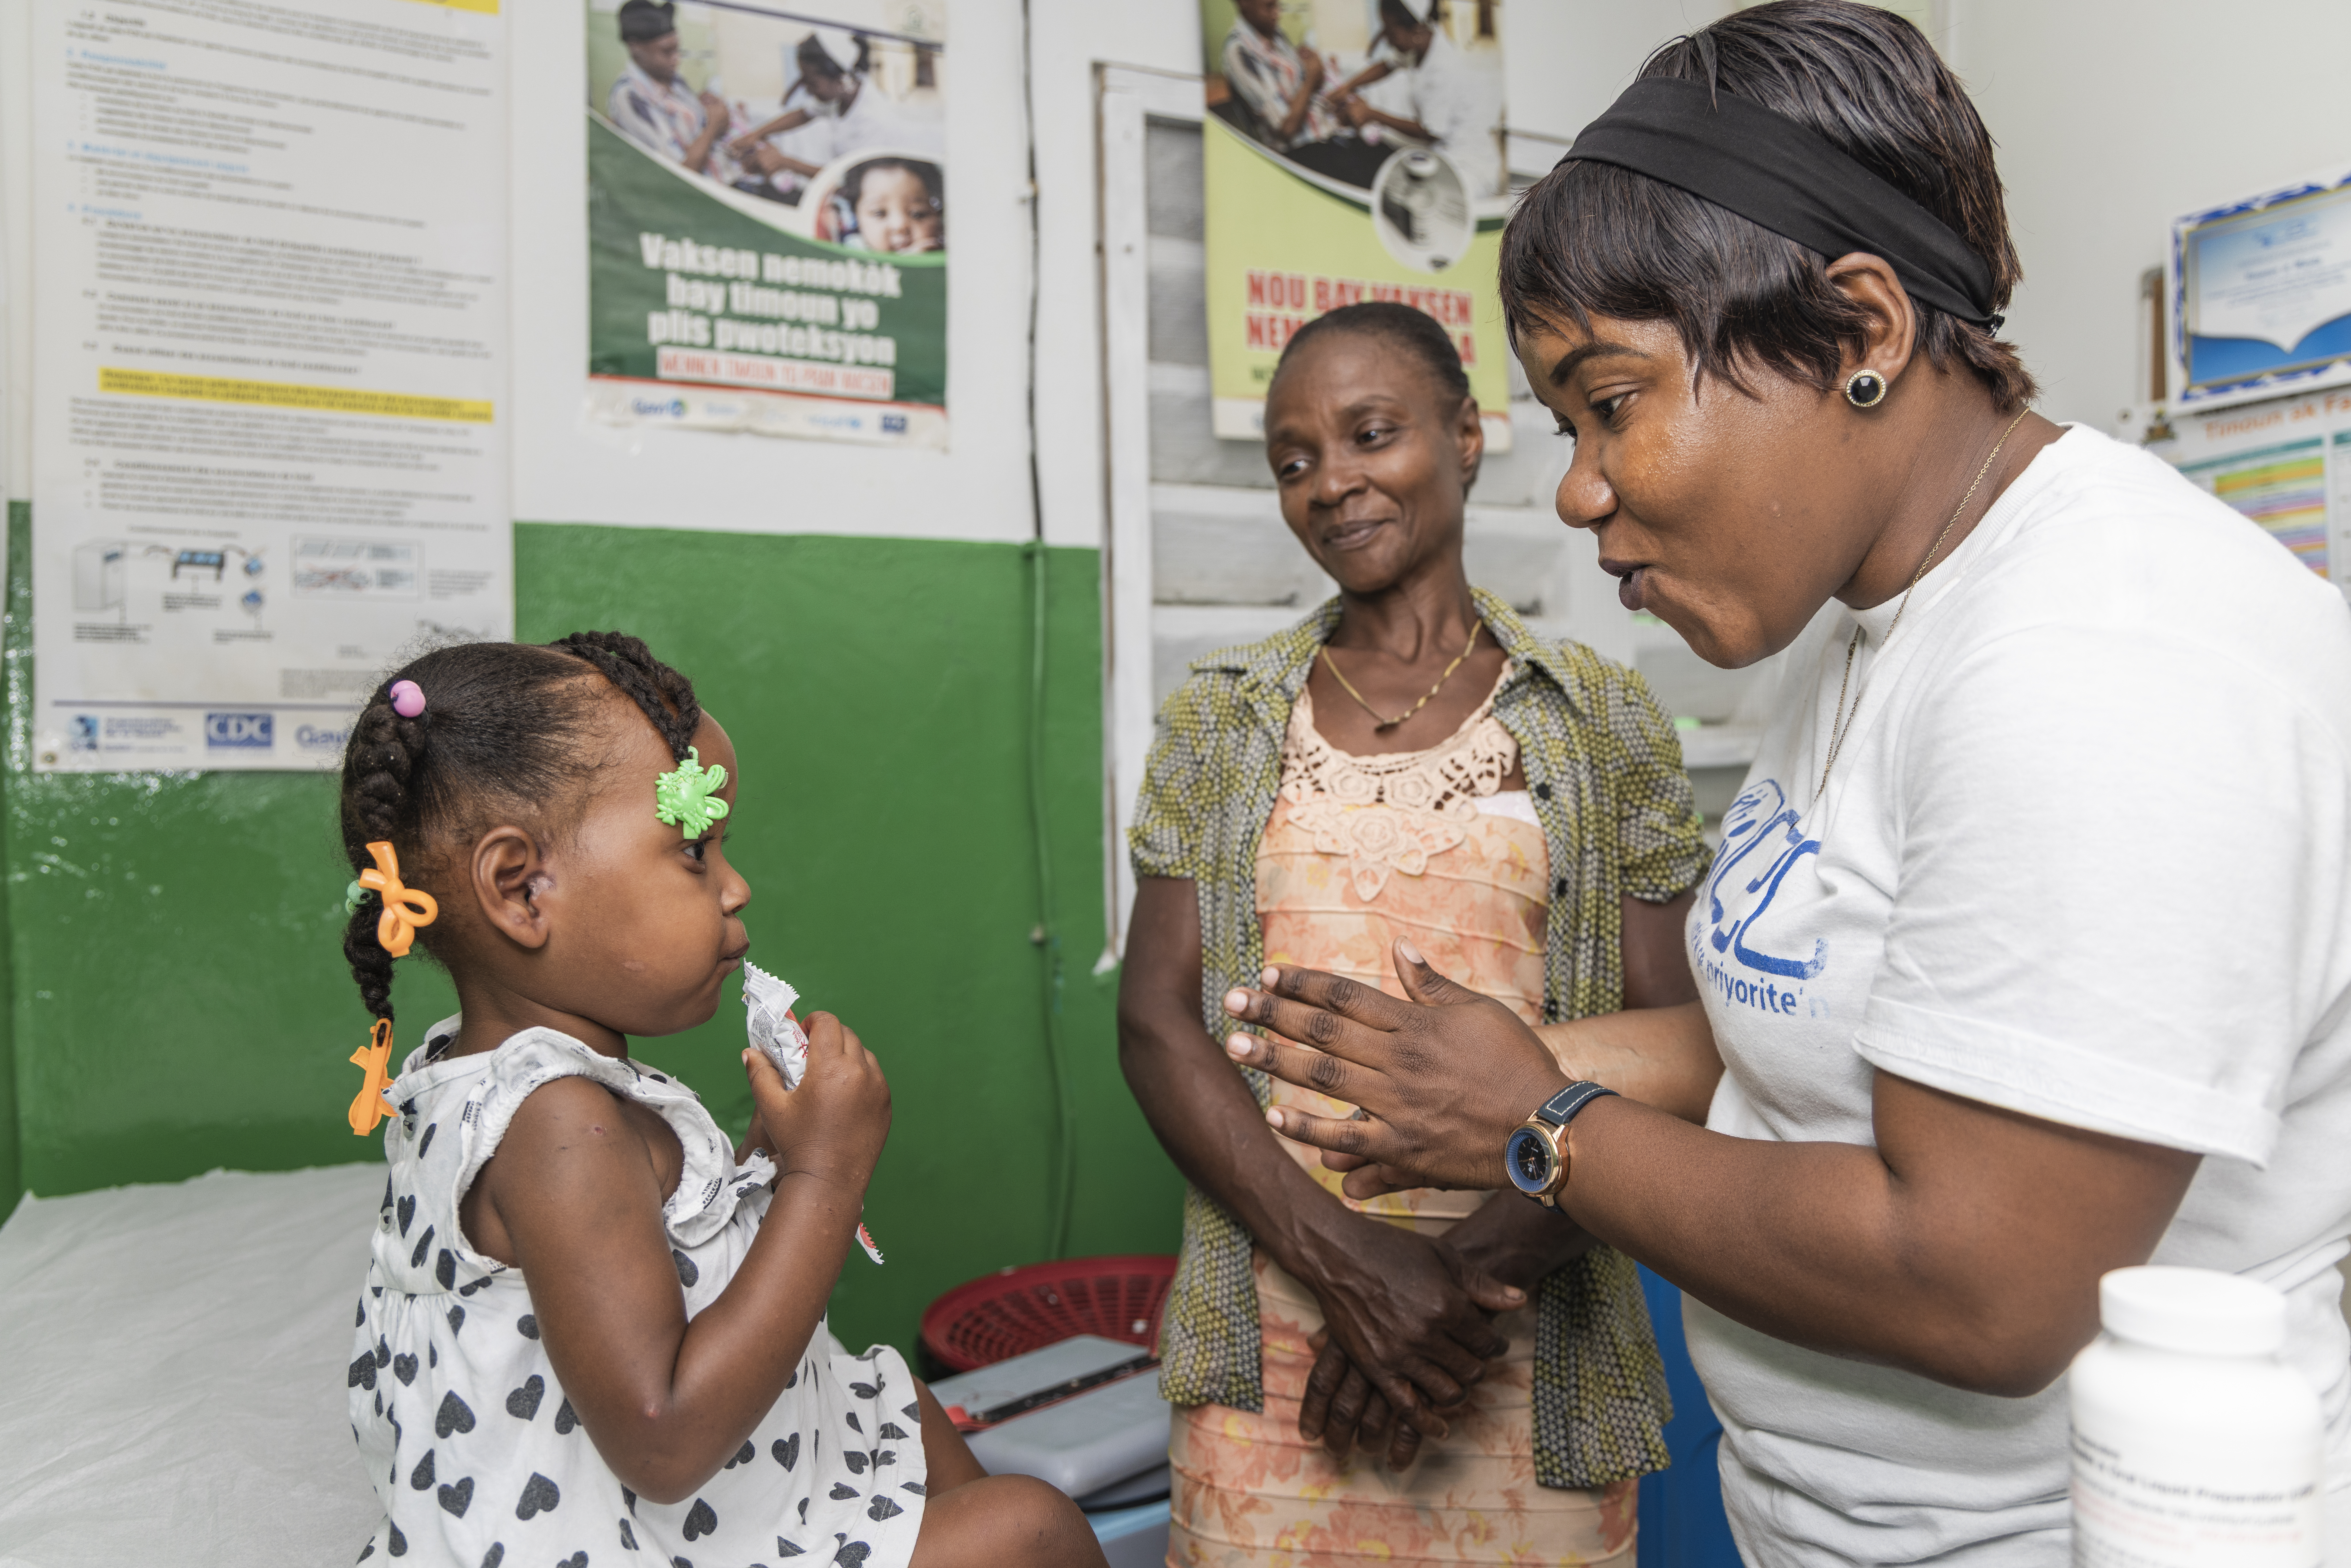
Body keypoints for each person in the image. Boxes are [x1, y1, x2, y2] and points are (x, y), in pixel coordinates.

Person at [1214, 4, 2351, 1564]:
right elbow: (1828, 1027)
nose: (1580, 486)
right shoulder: (1867, 626)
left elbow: (1980, 1280)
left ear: (1861, 333)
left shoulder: (2105, 656)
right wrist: (1493, 1060)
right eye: (1563, 422)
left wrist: (1539, 1121)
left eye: (1612, 400)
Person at [1121, 302, 1710, 1567]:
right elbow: (1158, 1022)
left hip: (1521, 1340)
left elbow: (1679, 1050)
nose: (1332, 482)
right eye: (1293, 461)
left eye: (1370, 434)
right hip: (1273, 1339)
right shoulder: (1219, 720)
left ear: (1468, 436)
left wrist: (1450, 1291)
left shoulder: (1599, 718)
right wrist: (1344, 1266)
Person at [337, 633, 1106, 1568]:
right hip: (607, 1533)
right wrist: (825, 1175)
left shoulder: (497, 1080)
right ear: (520, 889)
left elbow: (636, 1253)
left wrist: (766, 1165)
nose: (736, 886)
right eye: (695, 847)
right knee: (1032, 1528)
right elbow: (662, 1437)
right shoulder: (557, 1120)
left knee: (891, 1399)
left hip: (631, 1506)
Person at [1329, 0, 1505, 197]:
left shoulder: (1442, 70)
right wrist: (1348, 87)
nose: (1387, 39)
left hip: (1468, 164)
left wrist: (1372, 115)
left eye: (1391, 32)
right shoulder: (1420, 45)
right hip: (1441, 151)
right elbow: (1387, 66)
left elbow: (1429, 131)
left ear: (1417, 31)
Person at [1217, 0, 1389, 189]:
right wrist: (1311, 80)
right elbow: (1286, 129)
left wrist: (1309, 68)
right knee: (1379, 177)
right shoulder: (1240, 51)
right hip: (1300, 152)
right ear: (1245, 4)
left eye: (1278, 5)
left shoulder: (1275, 35)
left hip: (1325, 134)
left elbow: (1299, 91)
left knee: (1387, 156)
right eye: (1270, 6)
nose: (1278, 13)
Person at [605, 0, 738, 184]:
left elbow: (695, 128)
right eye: (667, 52)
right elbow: (679, 175)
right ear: (635, 47)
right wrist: (713, 127)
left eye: (677, 50)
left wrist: (707, 109)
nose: (676, 60)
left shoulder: (673, 80)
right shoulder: (630, 97)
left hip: (729, 179)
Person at [839, 158, 943, 254]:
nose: (900, 226)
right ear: (857, 218)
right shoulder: (849, 254)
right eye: (879, 213)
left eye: (917, 214)